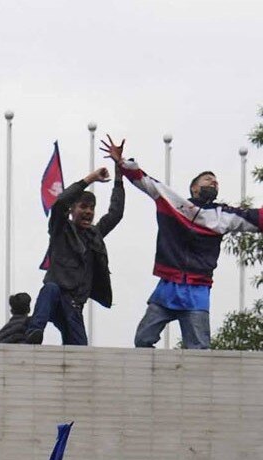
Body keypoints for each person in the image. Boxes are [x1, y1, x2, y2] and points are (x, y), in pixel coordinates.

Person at [102, 136, 262, 349]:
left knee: (200, 349)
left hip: (198, 289)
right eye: (207, 179)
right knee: (142, 339)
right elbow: (147, 182)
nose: (213, 182)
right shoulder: (174, 203)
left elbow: (254, 218)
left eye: (216, 181)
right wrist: (121, 163)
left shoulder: (223, 214)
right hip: (169, 285)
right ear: (194, 188)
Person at [24, 165, 124, 345]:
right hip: (56, 296)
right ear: (72, 210)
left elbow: (115, 214)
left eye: (92, 208)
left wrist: (119, 174)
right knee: (50, 289)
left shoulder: (95, 234)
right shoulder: (60, 228)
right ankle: (35, 332)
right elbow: (60, 203)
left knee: (80, 350)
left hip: (74, 306)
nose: (88, 212)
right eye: (83, 207)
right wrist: (91, 178)